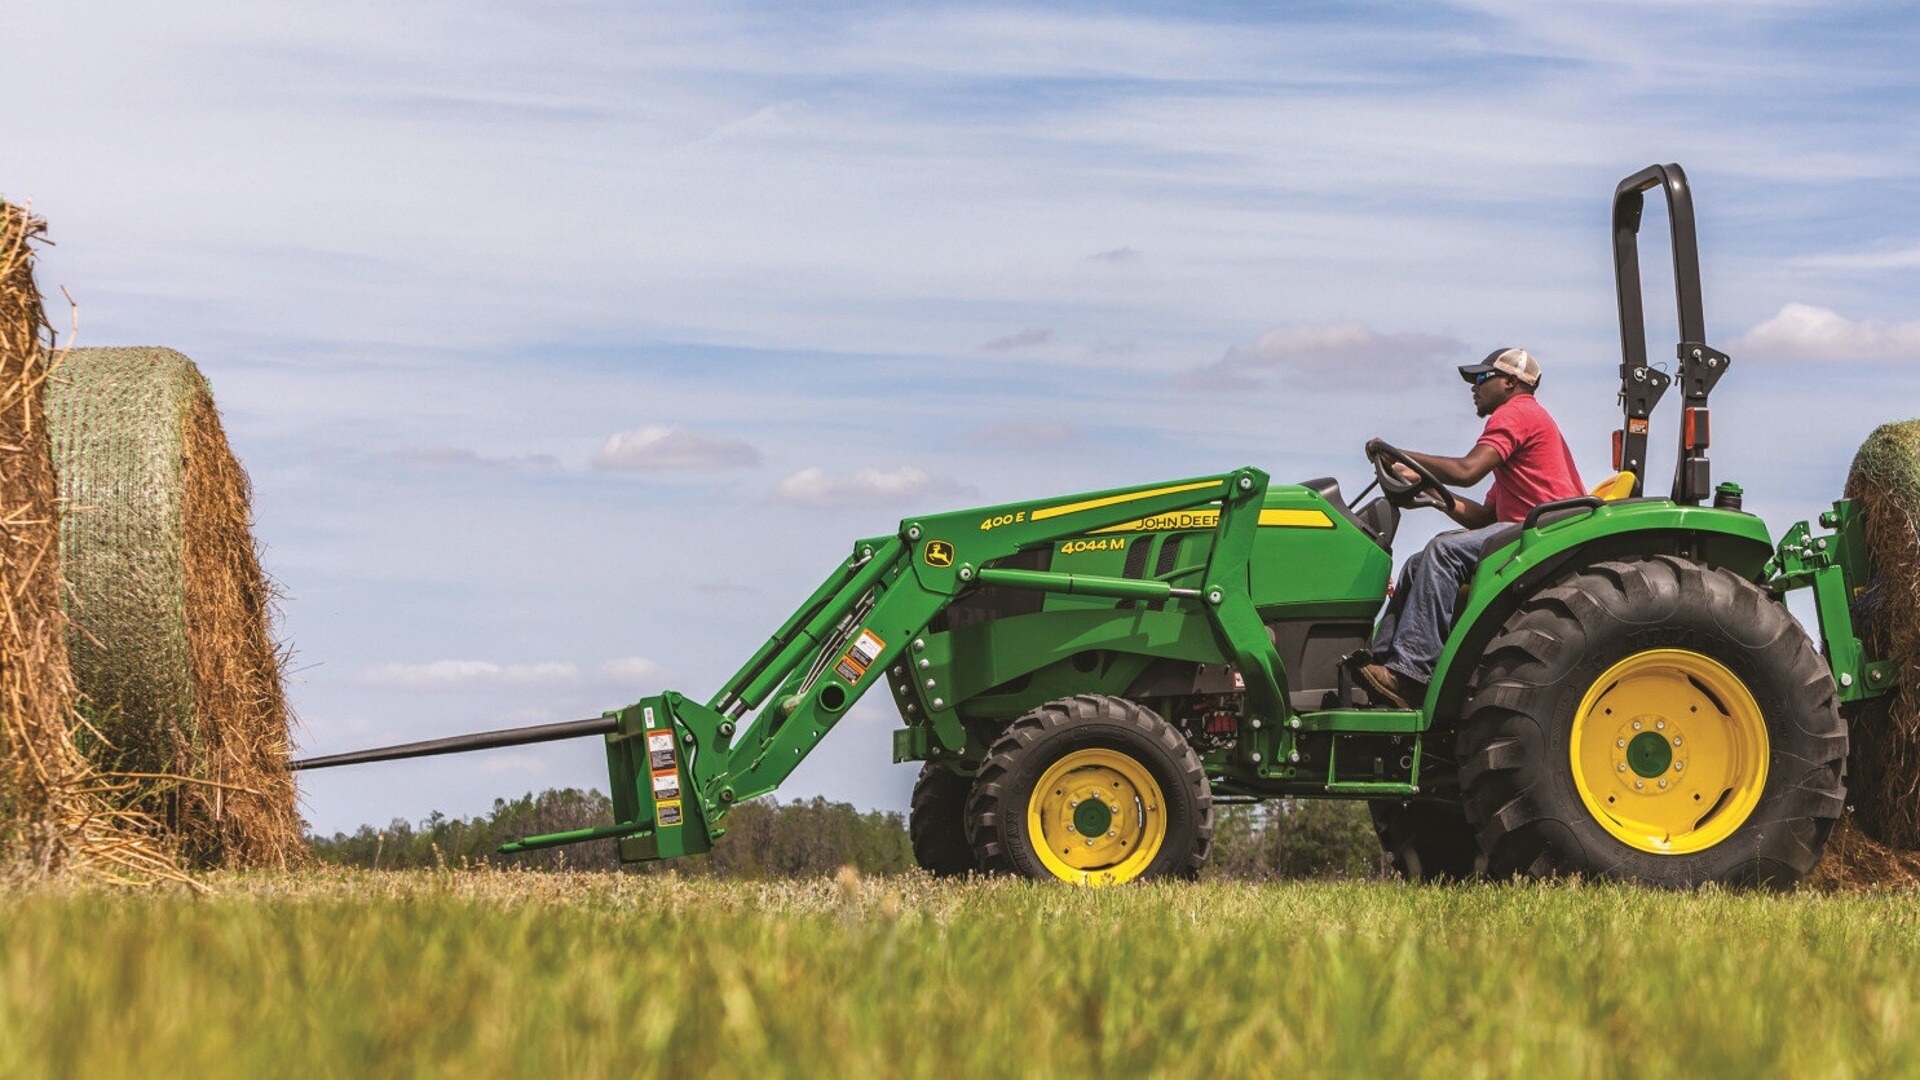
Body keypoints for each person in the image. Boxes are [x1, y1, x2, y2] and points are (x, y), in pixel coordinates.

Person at [1358, 347, 1586, 709]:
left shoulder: (1516, 413)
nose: (1473, 388)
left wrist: (1400, 453)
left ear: (1510, 383)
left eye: (1481, 379)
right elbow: (1483, 518)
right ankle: (1383, 664)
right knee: (1420, 563)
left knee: (1443, 550)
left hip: (1543, 533)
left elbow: (1467, 471)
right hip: (1525, 529)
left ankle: (1411, 673)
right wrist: (1431, 489)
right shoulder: (1524, 432)